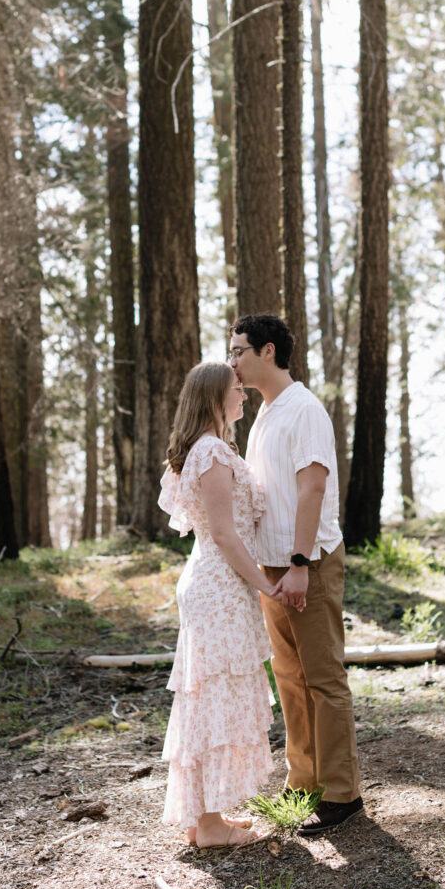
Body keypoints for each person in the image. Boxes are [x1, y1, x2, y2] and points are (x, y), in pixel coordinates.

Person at [229, 314, 363, 837]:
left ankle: (341, 793)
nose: (232, 361)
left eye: (238, 351)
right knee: (288, 674)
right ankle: (303, 779)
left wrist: (302, 565)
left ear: (267, 351)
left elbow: (313, 490)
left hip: (309, 562)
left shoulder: (304, 409)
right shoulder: (264, 413)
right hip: (272, 566)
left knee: (324, 676)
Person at [158, 361, 278, 848]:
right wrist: (266, 585)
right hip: (219, 586)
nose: (244, 396)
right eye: (236, 390)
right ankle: (208, 825)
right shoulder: (209, 452)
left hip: (218, 585)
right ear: (213, 398)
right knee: (212, 700)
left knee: (210, 700)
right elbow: (226, 535)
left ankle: (204, 817)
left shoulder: (211, 449)